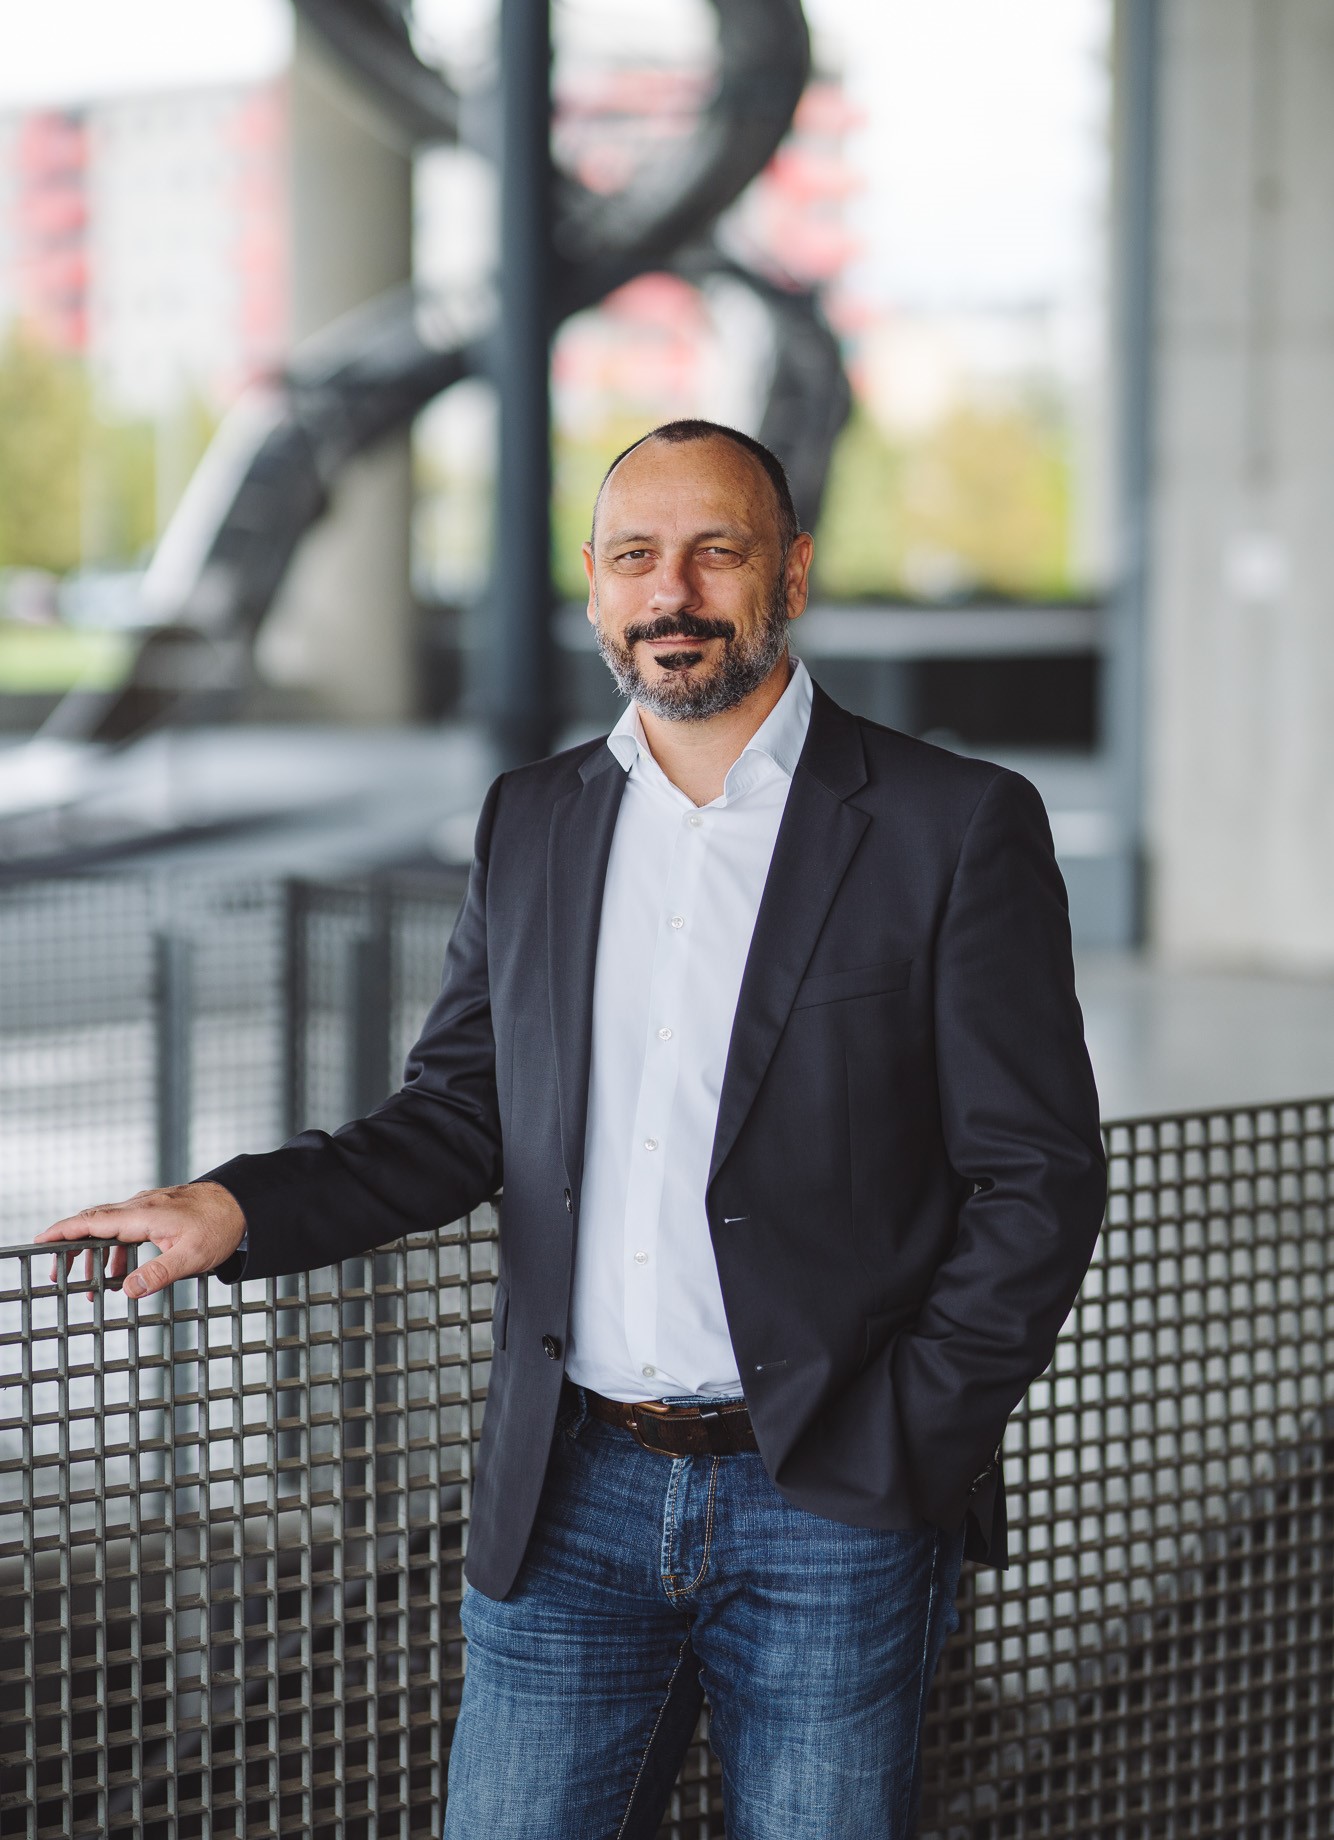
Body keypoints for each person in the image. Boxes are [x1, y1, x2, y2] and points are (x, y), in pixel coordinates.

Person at [39, 419, 1106, 1840]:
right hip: (569, 1494)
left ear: (790, 573)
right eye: (635, 557)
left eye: (715, 552)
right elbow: (458, 1113)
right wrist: (235, 1209)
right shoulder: (535, 819)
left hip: (831, 1499)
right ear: (596, 585)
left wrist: (908, 1440)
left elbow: (1037, 1178)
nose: (673, 592)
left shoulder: (949, 822)